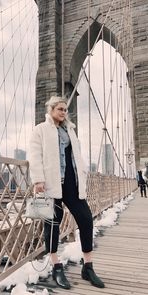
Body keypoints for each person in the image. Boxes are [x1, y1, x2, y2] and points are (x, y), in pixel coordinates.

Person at [28, 96, 105, 289]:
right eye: (60, 109)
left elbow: (77, 157)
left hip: (72, 183)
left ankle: (88, 267)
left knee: (86, 219)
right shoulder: (41, 130)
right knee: (52, 224)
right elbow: (34, 155)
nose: (63, 112)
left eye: (65, 109)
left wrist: (84, 173)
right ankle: (56, 266)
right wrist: (38, 179)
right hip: (51, 184)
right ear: (51, 109)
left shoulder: (70, 131)